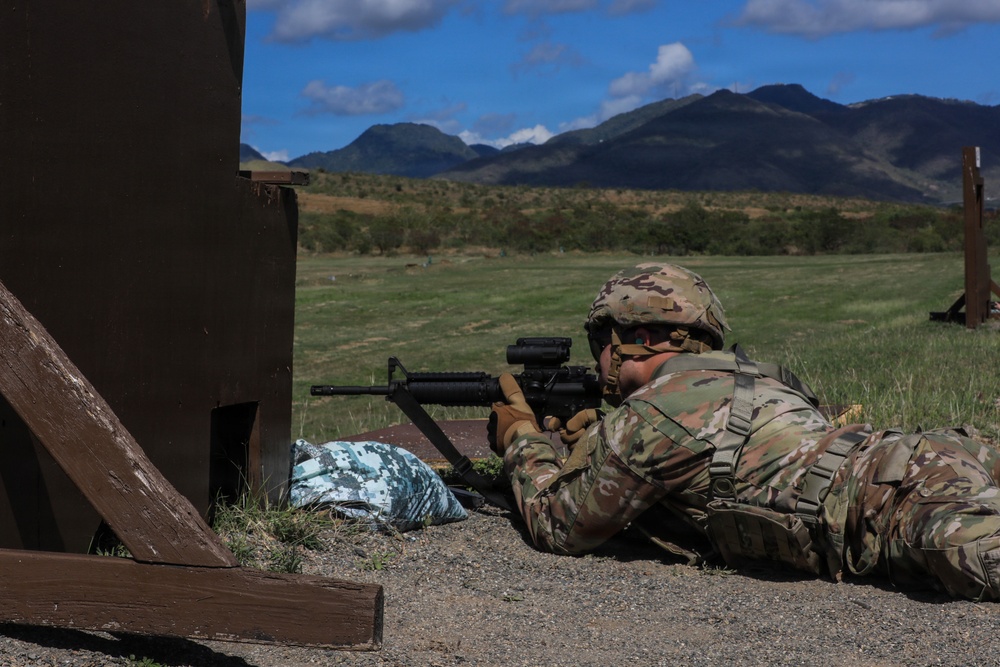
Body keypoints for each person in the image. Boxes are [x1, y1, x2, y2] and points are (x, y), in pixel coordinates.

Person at [488, 263, 1000, 601]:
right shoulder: (755, 377)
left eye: (599, 341)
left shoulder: (657, 412)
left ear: (635, 340)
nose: (596, 360)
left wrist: (522, 441)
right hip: (927, 455)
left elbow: (560, 527)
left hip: (899, 505)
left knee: (984, 561)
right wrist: (597, 444)